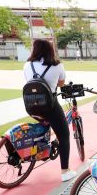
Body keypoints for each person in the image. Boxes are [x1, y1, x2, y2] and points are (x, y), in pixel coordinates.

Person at [22, 39, 76, 182]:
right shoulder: (57, 65)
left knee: (46, 123)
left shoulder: (27, 65)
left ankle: (43, 145)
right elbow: (61, 83)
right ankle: (65, 171)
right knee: (64, 134)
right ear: (50, 49)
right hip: (50, 107)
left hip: (31, 106)